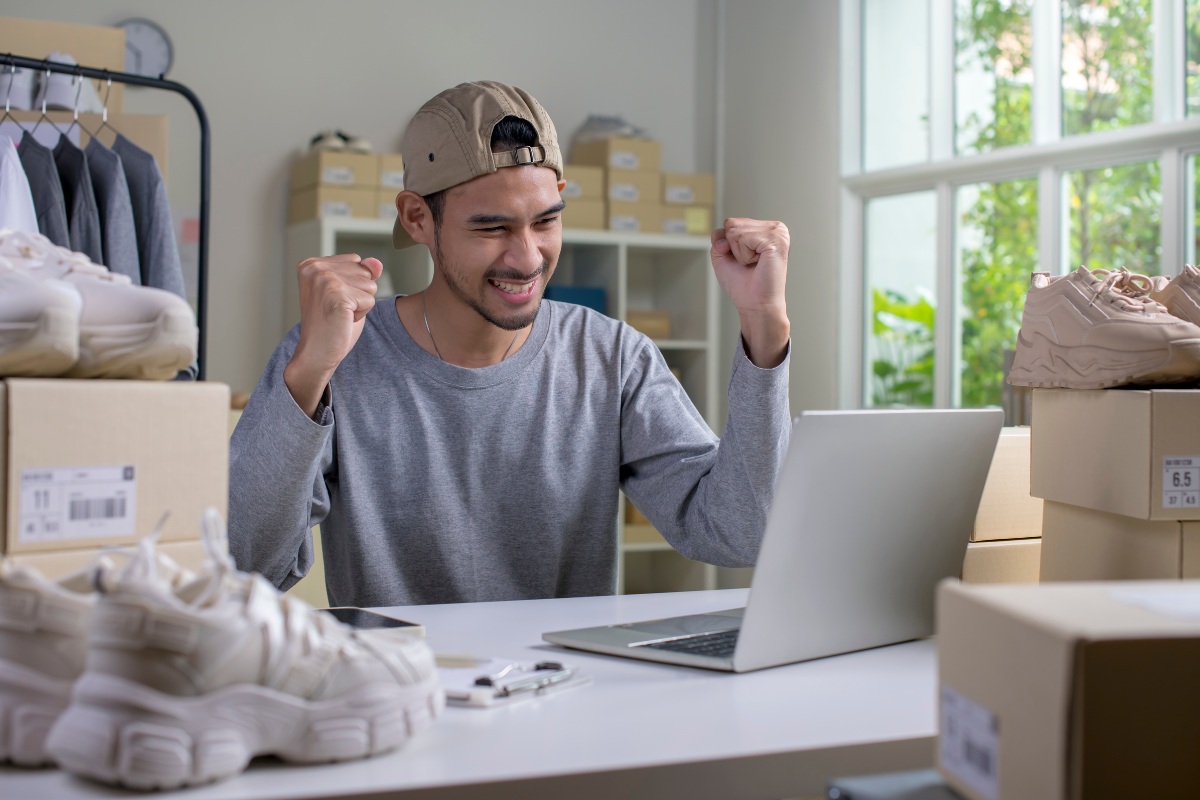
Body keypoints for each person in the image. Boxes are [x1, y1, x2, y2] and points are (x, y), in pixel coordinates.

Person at [229, 82, 792, 607]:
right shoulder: (334, 356)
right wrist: (310, 373)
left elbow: (738, 534)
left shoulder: (612, 357)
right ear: (418, 218)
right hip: (402, 699)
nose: (527, 258)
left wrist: (764, 324)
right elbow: (246, 568)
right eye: (492, 228)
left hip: (564, 699)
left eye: (545, 221)